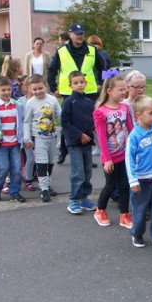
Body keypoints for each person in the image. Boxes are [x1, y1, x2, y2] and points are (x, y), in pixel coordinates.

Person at [48, 24, 105, 164]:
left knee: (87, 122)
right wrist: (54, 88)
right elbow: (52, 70)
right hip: (69, 92)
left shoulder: (91, 50)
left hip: (89, 91)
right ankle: (63, 150)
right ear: (70, 34)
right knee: (68, 122)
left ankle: (86, 154)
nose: (80, 36)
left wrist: (100, 83)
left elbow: (101, 68)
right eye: (77, 33)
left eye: (82, 33)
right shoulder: (61, 51)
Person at [125, 95, 152, 249]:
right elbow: (129, 160)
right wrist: (133, 181)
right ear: (139, 115)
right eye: (150, 113)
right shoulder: (134, 136)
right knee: (140, 209)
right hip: (141, 180)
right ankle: (137, 233)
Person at [93, 75, 134, 228]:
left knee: (124, 185)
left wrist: (133, 149)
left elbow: (131, 130)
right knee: (111, 185)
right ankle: (100, 210)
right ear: (109, 91)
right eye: (120, 89)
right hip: (110, 156)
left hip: (124, 154)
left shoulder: (125, 107)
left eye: (125, 89)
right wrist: (107, 158)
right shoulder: (100, 112)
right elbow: (102, 137)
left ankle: (124, 214)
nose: (124, 92)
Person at [60, 71, 97, 215]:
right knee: (78, 173)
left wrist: (90, 133)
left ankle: (84, 198)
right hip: (74, 143)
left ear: (85, 83)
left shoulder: (88, 102)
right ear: (70, 85)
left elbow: (91, 120)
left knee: (87, 172)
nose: (79, 85)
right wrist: (79, 134)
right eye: (76, 83)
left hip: (87, 142)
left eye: (81, 82)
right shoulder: (69, 102)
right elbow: (64, 122)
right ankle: (74, 200)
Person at [23, 74, 61, 202]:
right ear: (30, 89)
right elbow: (27, 121)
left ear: (46, 86)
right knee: (41, 163)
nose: (38, 92)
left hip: (52, 136)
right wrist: (27, 138)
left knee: (50, 162)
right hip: (38, 138)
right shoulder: (30, 103)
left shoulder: (52, 99)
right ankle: (43, 189)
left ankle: (47, 184)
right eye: (34, 89)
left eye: (40, 88)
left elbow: (59, 115)